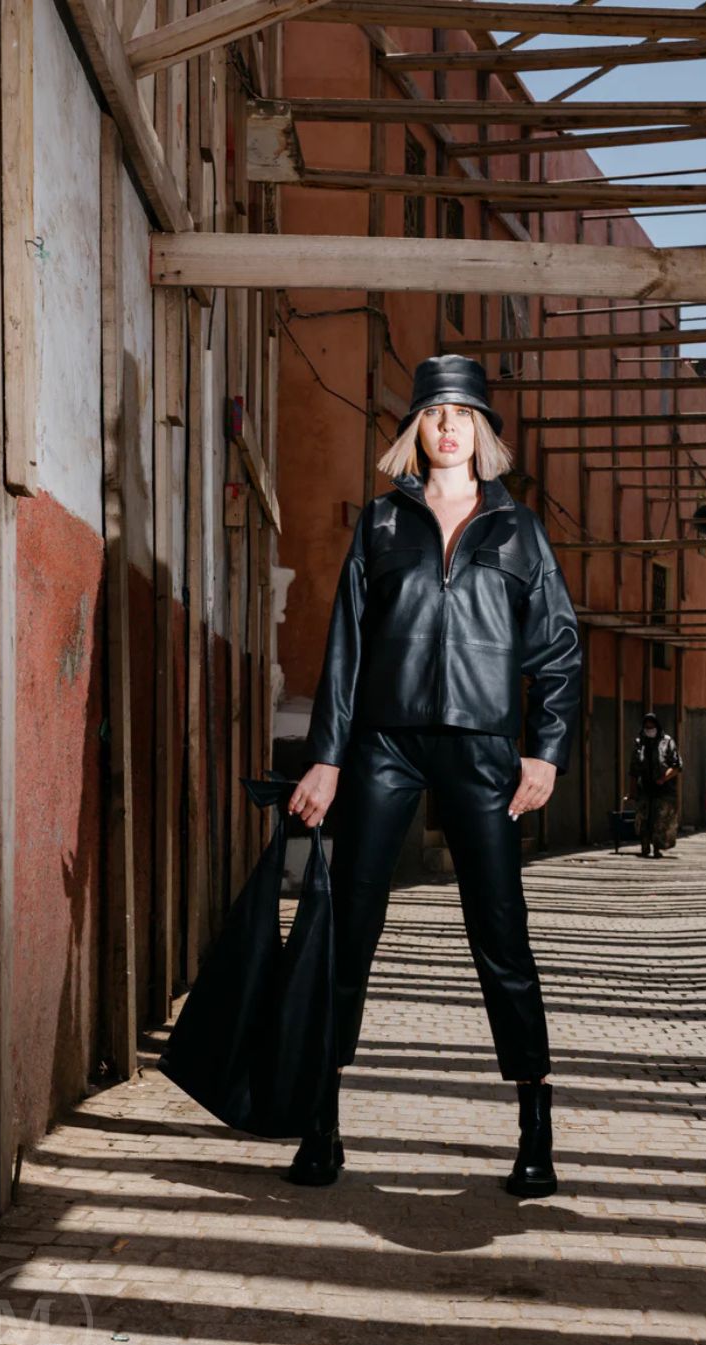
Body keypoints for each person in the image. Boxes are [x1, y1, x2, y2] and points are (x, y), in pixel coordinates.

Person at [284, 354, 582, 1198]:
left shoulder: (517, 530)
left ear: (482, 431)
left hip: (483, 750)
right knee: (352, 931)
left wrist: (546, 751)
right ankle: (321, 1122)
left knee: (502, 935)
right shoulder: (380, 525)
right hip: (384, 744)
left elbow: (558, 652)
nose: (447, 425)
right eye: (433, 412)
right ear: (415, 428)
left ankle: (535, 1126)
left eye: (462, 413)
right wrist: (329, 756)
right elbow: (345, 648)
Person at [629, 712, 682, 857]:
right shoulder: (640, 742)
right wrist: (631, 792)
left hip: (663, 788)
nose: (649, 729)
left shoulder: (667, 741)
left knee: (661, 820)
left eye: (652, 726)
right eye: (647, 726)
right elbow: (633, 769)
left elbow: (677, 766)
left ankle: (657, 847)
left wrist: (664, 778)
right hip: (644, 786)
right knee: (643, 818)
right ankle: (644, 846)